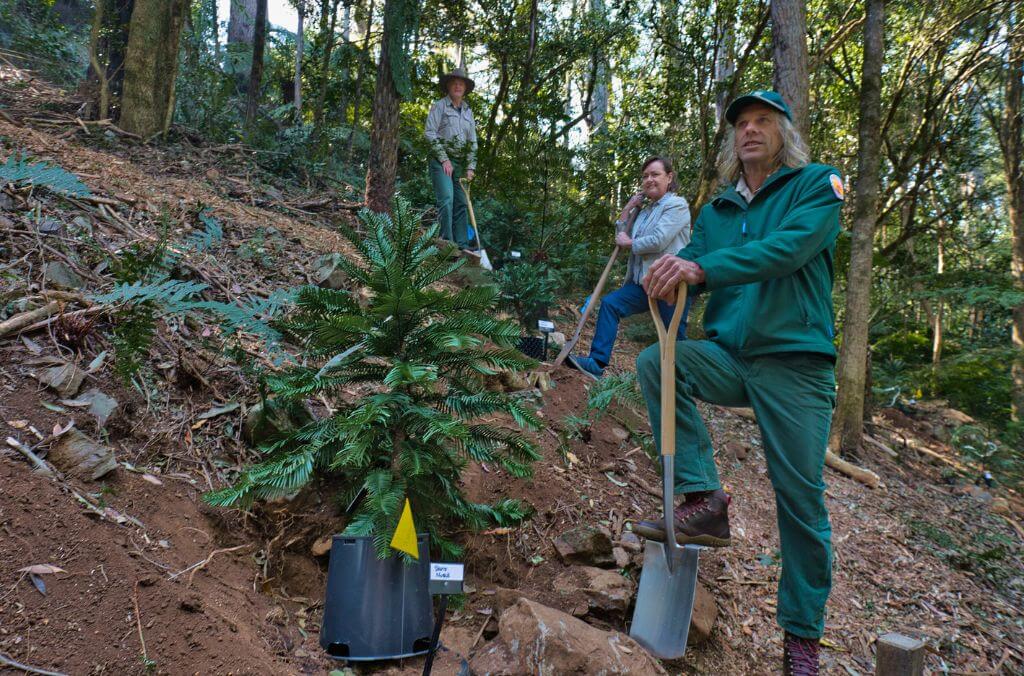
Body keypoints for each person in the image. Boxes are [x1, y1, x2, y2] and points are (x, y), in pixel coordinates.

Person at [633, 90, 843, 676]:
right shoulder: (720, 210)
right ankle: (705, 498)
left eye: (763, 122)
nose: (750, 131)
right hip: (730, 356)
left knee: (800, 501)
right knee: (656, 362)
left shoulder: (815, 186)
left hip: (795, 365)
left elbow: (788, 249)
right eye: (741, 124)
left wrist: (703, 268)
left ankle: (801, 638)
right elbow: (692, 262)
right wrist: (667, 274)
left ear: (785, 133)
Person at [567, 156, 692, 380]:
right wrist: (628, 208)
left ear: (669, 177)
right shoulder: (644, 212)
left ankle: (680, 384)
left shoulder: (677, 205)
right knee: (611, 304)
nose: (649, 179)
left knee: (673, 337)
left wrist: (630, 243)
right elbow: (621, 234)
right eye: (645, 176)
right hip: (644, 283)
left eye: (655, 174)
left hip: (669, 284)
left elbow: (659, 240)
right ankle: (596, 362)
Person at [424, 68, 478, 251]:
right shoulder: (439, 106)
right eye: (454, 82)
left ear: (465, 88)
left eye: (461, 83)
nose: (457, 85)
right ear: (448, 86)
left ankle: (462, 245)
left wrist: (471, 167)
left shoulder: (468, 112)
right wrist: (444, 159)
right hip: (441, 161)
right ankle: (447, 243)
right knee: (447, 199)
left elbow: (473, 141)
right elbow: (430, 133)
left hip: (461, 164)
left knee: (462, 202)